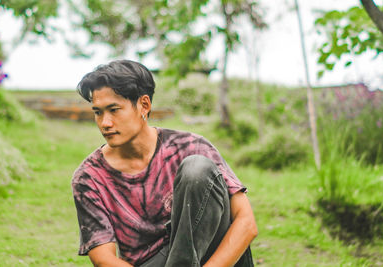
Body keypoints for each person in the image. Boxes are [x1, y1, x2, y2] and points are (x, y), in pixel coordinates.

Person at [72, 59, 258, 267]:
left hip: (213, 259)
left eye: (114, 110)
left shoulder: (190, 146)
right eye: (98, 112)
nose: (105, 123)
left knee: (198, 169)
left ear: (144, 105)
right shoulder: (89, 177)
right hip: (150, 263)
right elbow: (103, 258)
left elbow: (246, 223)